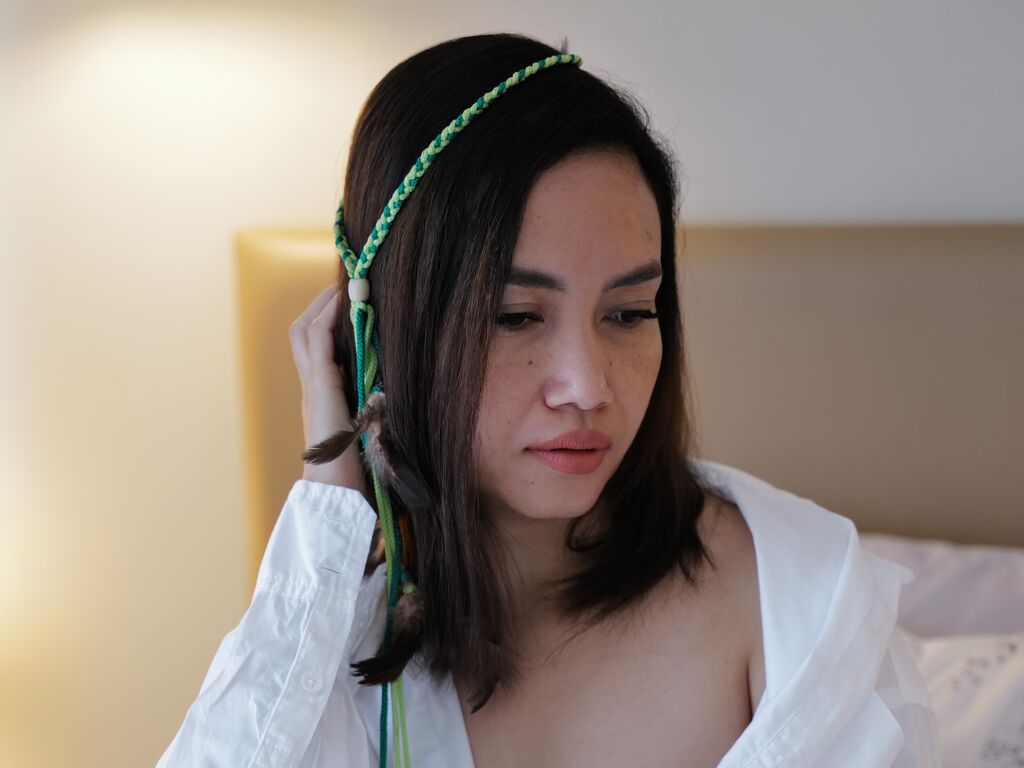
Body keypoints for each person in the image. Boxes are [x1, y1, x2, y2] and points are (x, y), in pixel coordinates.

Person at [156, 32, 941, 767]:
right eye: (516, 318)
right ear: (385, 333)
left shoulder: (800, 603)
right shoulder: (329, 643)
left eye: (628, 314)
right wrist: (331, 511)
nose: (588, 387)